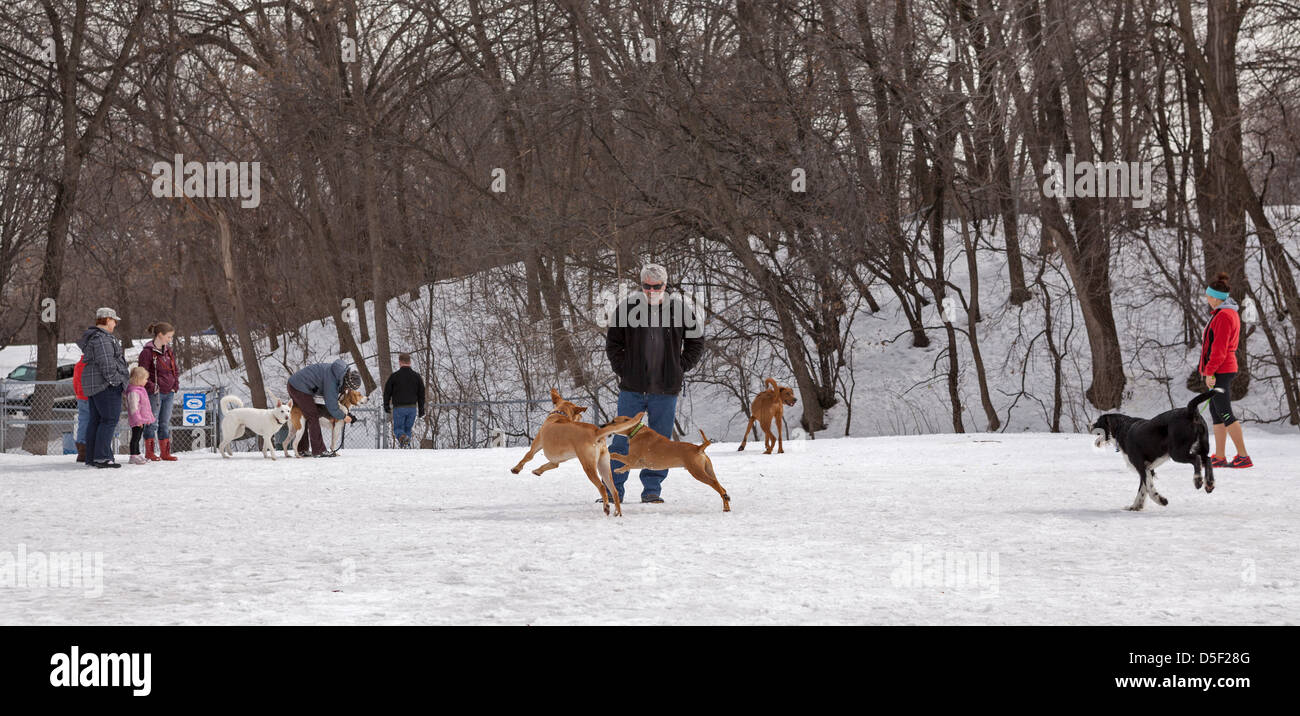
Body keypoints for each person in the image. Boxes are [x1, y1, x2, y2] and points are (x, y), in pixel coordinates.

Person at [605, 263, 705, 503]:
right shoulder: (626, 309)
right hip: (632, 389)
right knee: (620, 439)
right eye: (646, 286)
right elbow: (613, 345)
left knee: (660, 442)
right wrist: (624, 369)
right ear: (641, 286)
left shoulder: (680, 310)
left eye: (657, 286)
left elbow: (697, 342)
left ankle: (652, 490)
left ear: (665, 285)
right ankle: (612, 490)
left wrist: (680, 367)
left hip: (665, 389)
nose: (651, 291)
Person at [1200, 272, 1251, 468]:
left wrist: (1210, 372)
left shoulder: (1223, 316)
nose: (1207, 299)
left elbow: (1218, 349)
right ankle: (1219, 456)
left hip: (1221, 369)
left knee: (1225, 411)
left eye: (1208, 296)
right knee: (1216, 411)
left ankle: (1243, 456)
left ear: (1215, 298)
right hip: (1221, 367)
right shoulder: (1225, 313)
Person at [75, 308, 129, 468]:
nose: (115, 323)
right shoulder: (103, 339)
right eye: (113, 320)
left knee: (96, 420)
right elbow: (107, 364)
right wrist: (116, 381)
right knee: (109, 420)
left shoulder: (97, 338)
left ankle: (91, 456)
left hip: (96, 385)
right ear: (106, 320)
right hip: (105, 386)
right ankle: (102, 457)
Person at [287, 359, 359, 457]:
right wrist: (343, 416)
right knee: (312, 415)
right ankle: (319, 450)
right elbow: (332, 406)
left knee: (307, 415)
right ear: (347, 382)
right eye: (348, 387)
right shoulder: (332, 381)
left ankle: (302, 449)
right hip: (298, 387)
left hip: (295, 385)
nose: (347, 390)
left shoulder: (338, 373)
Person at [138, 321, 180, 461]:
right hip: (154, 393)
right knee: (152, 421)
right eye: (168, 337)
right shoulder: (147, 352)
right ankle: (149, 452)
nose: (170, 340)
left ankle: (165, 452)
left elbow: (175, 369)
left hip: (169, 392)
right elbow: (141, 373)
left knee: (165, 422)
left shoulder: (168, 351)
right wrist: (152, 386)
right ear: (160, 335)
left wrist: (175, 384)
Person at [383, 353, 426, 447]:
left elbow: (387, 392)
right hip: (412, 408)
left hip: (399, 408)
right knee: (407, 429)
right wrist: (421, 409)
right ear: (410, 362)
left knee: (398, 429)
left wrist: (386, 405)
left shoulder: (394, 376)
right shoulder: (417, 376)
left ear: (400, 362)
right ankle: (406, 448)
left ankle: (403, 439)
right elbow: (421, 394)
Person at [123, 366, 155, 465]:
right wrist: (138, 420)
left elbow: (145, 406)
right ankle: (133, 455)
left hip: (142, 419)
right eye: (145, 379)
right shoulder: (134, 392)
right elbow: (134, 407)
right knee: (135, 437)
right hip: (137, 419)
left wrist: (148, 418)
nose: (146, 381)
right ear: (139, 379)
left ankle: (137, 453)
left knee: (139, 436)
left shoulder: (141, 389)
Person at [72, 355, 89, 463]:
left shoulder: (78, 365)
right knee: (91, 421)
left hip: (81, 397)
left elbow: (75, 382)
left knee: (83, 422)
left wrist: (78, 393)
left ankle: (81, 449)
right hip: (89, 396)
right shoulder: (90, 365)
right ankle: (87, 448)